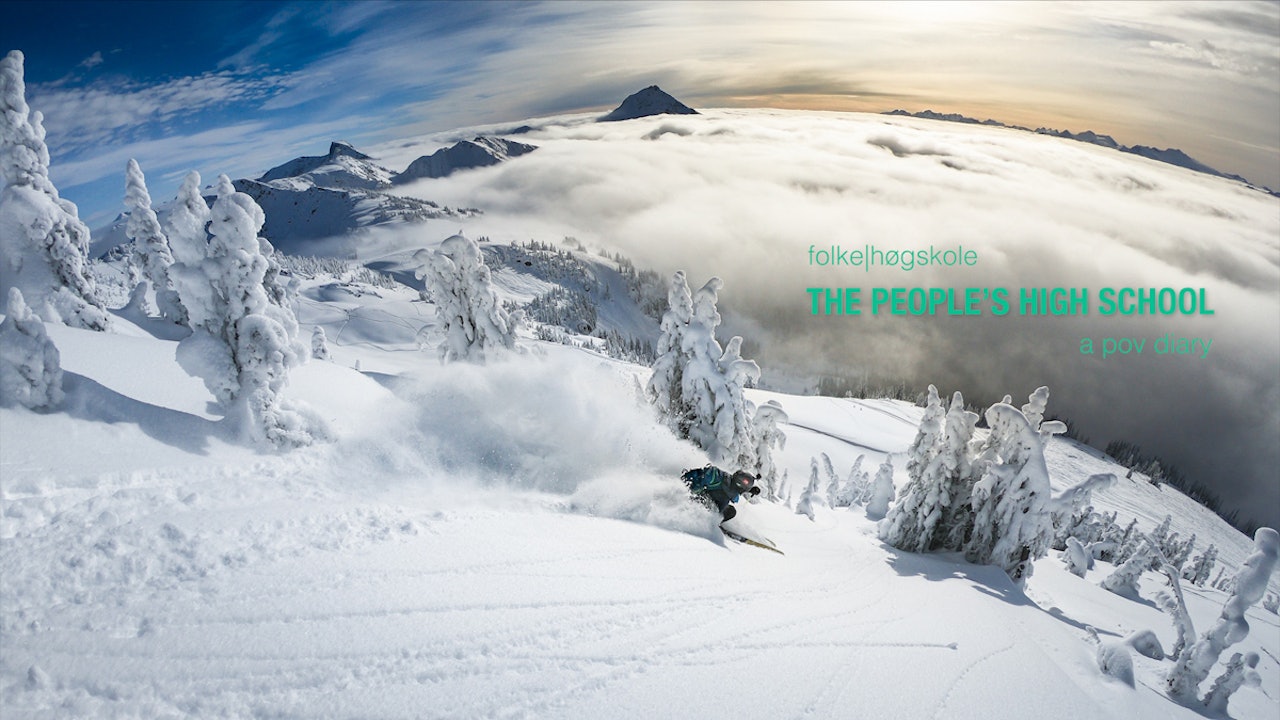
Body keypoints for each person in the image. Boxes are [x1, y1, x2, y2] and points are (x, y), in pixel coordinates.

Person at [681, 465, 761, 522]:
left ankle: (715, 522)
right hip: (697, 499)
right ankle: (708, 522)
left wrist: (751, 490)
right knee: (713, 507)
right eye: (745, 486)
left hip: (713, 502)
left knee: (731, 511)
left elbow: (736, 487)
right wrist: (690, 492)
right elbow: (701, 476)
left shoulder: (731, 488)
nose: (743, 490)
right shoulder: (719, 477)